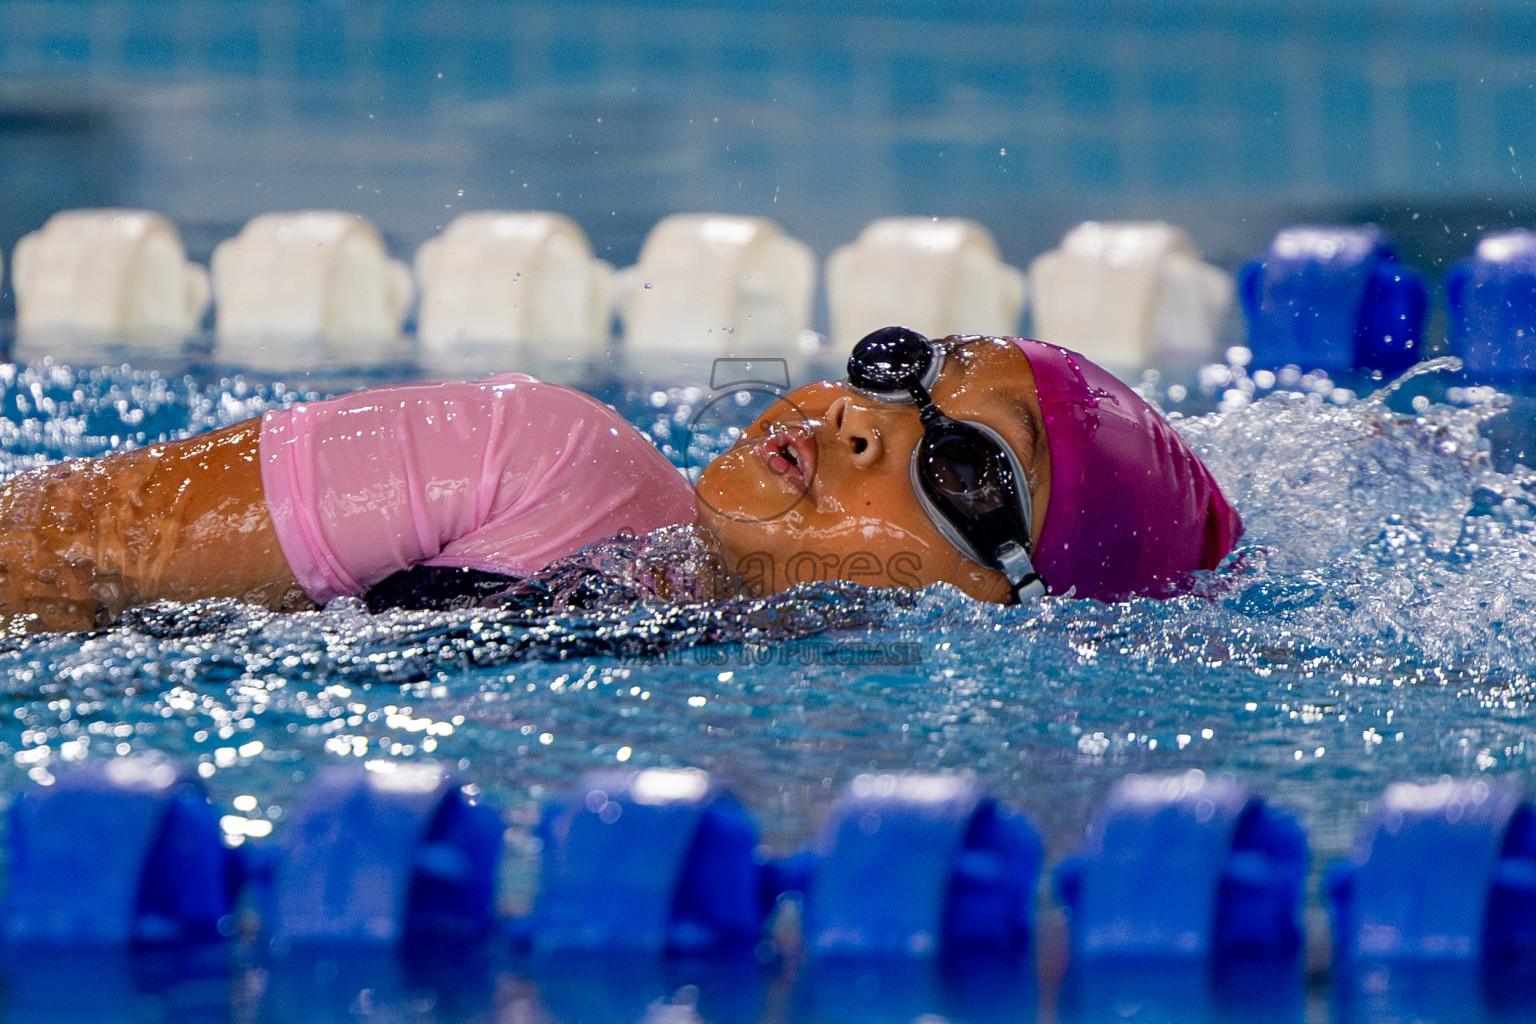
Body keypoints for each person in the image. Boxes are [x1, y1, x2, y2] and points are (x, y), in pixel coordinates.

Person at [0, 328, 1241, 632]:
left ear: (1010, 603)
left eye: (966, 468)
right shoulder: (540, 459)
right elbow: (55, 548)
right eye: (898, 366)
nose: (865, 422)